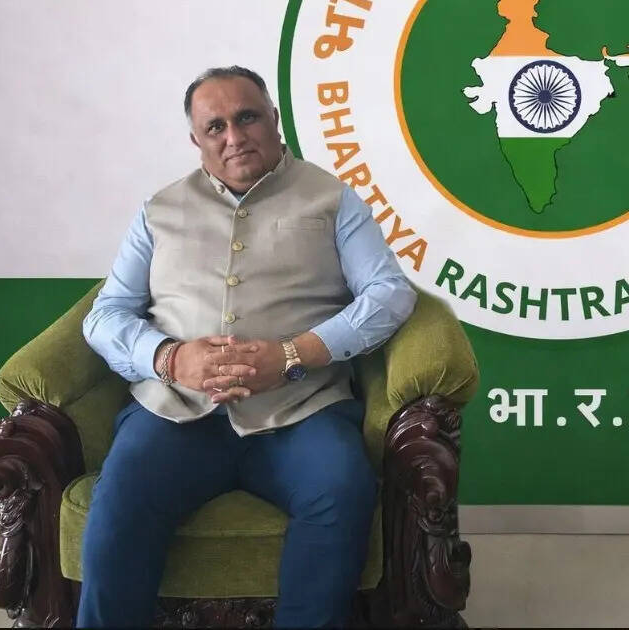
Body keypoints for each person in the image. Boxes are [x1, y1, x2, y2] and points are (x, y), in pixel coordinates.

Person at [78, 65, 417, 627]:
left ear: (274, 120)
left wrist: (294, 354)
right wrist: (169, 358)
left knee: (341, 488)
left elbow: (389, 293)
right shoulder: (159, 211)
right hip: (174, 413)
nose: (234, 136)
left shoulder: (332, 199)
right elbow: (105, 314)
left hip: (301, 411)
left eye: (247, 117)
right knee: (121, 500)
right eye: (215, 127)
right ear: (196, 140)